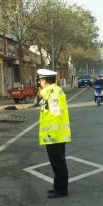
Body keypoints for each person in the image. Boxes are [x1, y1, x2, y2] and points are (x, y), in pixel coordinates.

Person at [37, 69, 71, 198]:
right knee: (56, 163)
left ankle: (61, 190)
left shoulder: (54, 93)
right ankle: (57, 186)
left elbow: (56, 115)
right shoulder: (51, 92)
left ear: (45, 80)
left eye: (40, 80)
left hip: (54, 136)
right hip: (54, 135)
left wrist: (51, 134)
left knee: (58, 163)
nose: (39, 82)